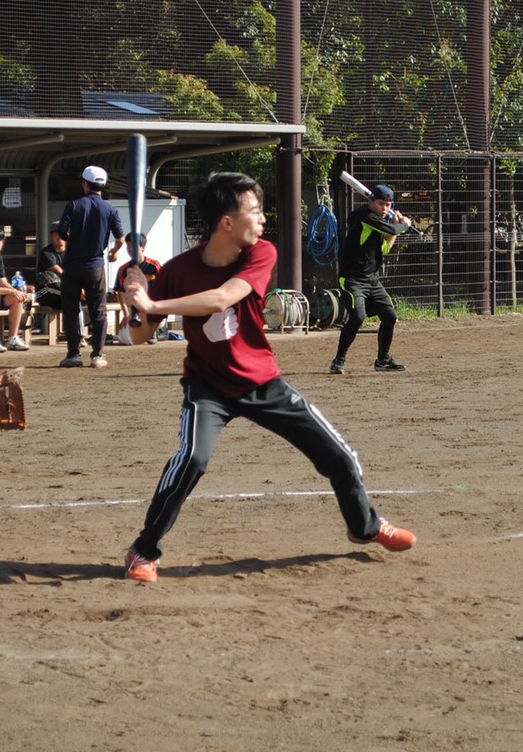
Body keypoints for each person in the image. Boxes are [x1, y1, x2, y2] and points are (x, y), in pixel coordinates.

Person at [117, 171, 416, 584]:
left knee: (339, 456)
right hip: (208, 388)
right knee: (192, 459)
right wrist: (134, 300)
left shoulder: (261, 254)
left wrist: (155, 299)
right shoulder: (177, 271)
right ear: (226, 222)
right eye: (254, 211)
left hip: (262, 381)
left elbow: (222, 297)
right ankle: (143, 550)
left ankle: (365, 526)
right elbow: (138, 337)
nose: (262, 218)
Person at [330, 183, 412, 375]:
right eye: (381, 204)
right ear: (370, 202)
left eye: (388, 205)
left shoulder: (378, 221)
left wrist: (395, 227)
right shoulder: (365, 217)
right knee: (358, 316)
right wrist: (404, 224)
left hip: (372, 281)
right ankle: (338, 360)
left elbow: (385, 247)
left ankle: (383, 360)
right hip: (352, 280)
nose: (385, 208)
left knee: (390, 317)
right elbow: (395, 230)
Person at [55, 165, 125, 369]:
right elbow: (120, 239)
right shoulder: (110, 209)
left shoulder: (74, 205)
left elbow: (61, 232)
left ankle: (74, 354)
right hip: (95, 265)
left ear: (85, 184)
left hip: (72, 264)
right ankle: (98, 355)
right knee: (98, 310)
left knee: (70, 309)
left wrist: (73, 241)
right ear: (103, 185)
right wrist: (113, 253)